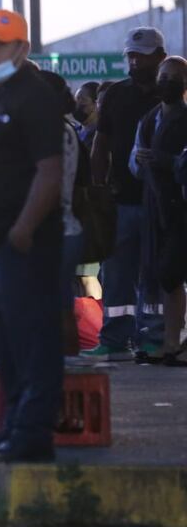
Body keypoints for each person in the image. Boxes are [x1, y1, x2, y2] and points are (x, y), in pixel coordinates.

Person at [0, 9, 64, 463]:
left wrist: (23, 230)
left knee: (32, 340)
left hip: (24, 244)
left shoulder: (36, 97)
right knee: (5, 344)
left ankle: (33, 433)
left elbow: (50, 172)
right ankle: (14, 429)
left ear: (21, 49)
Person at [85, 27, 167, 360]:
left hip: (161, 203)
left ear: (160, 57)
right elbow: (100, 143)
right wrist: (98, 186)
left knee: (155, 274)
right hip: (121, 202)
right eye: (131, 55)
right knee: (116, 274)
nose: (135, 62)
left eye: (142, 55)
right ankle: (114, 340)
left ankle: (154, 337)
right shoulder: (117, 95)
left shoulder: (172, 97)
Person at [130, 56, 187, 366]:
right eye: (163, 77)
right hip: (156, 207)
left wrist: (166, 160)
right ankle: (167, 341)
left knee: (171, 274)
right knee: (163, 275)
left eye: (174, 78)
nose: (167, 82)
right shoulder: (150, 119)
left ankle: (172, 341)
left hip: (179, 207)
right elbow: (135, 163)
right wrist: (141, 161)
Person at [37, 71, 85, 356]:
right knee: (60, 302)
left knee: (57, 305)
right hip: (64, 228)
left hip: (56, 229)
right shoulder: (61, 128)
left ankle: (65, 369)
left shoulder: (53, 130)